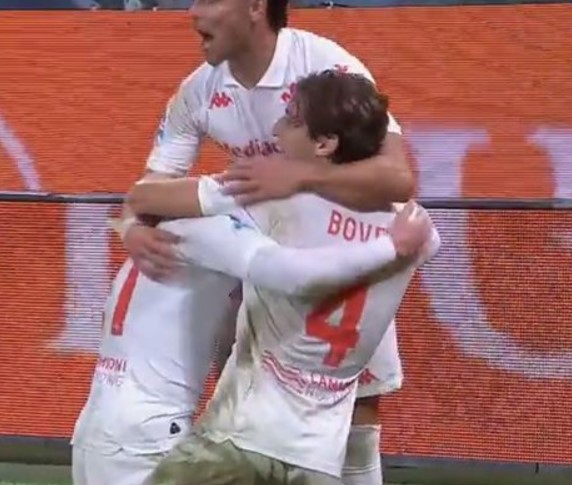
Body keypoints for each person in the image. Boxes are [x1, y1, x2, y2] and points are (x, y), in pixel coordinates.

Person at [122, 1, 414, 483]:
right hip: (270, 260)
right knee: (246, 398)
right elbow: (152, 186)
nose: (193, 12)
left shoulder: (325, 66)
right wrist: (132, 226)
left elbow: (398, 177)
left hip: (347, 259)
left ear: (256, 7)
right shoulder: (199, 91)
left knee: (358, 415)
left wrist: (299, 178)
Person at [71, 187, 430, 484]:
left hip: (97, 419)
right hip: (149, 431)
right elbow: (294, 274)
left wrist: (130, 224)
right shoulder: (219, 231)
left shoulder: (156, 233)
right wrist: (390, 245)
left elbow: (141, 196)